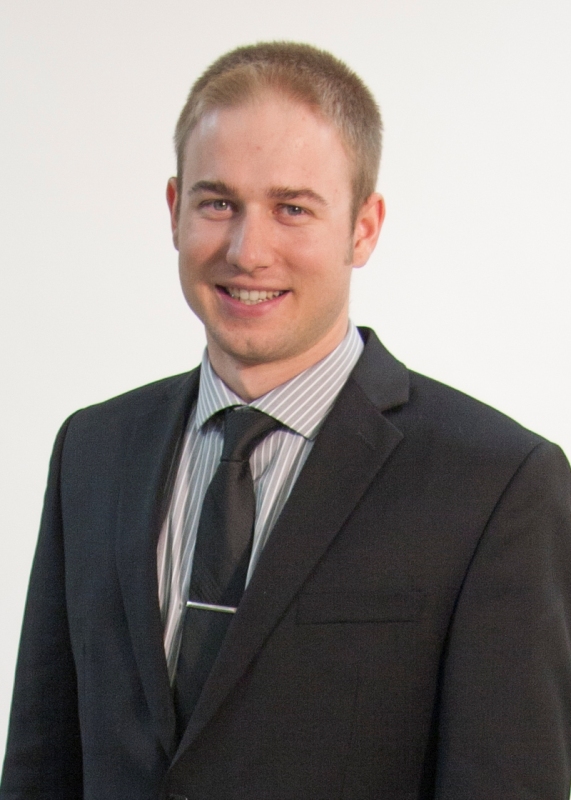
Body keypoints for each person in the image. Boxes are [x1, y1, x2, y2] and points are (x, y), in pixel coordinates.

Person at [1, 41, 570, 800]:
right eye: (218, 203)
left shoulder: (495, 484)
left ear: (363, 228)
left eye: (292, 209)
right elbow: (41, 764)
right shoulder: (93, 450)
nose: (248, 250)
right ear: (174, 210)